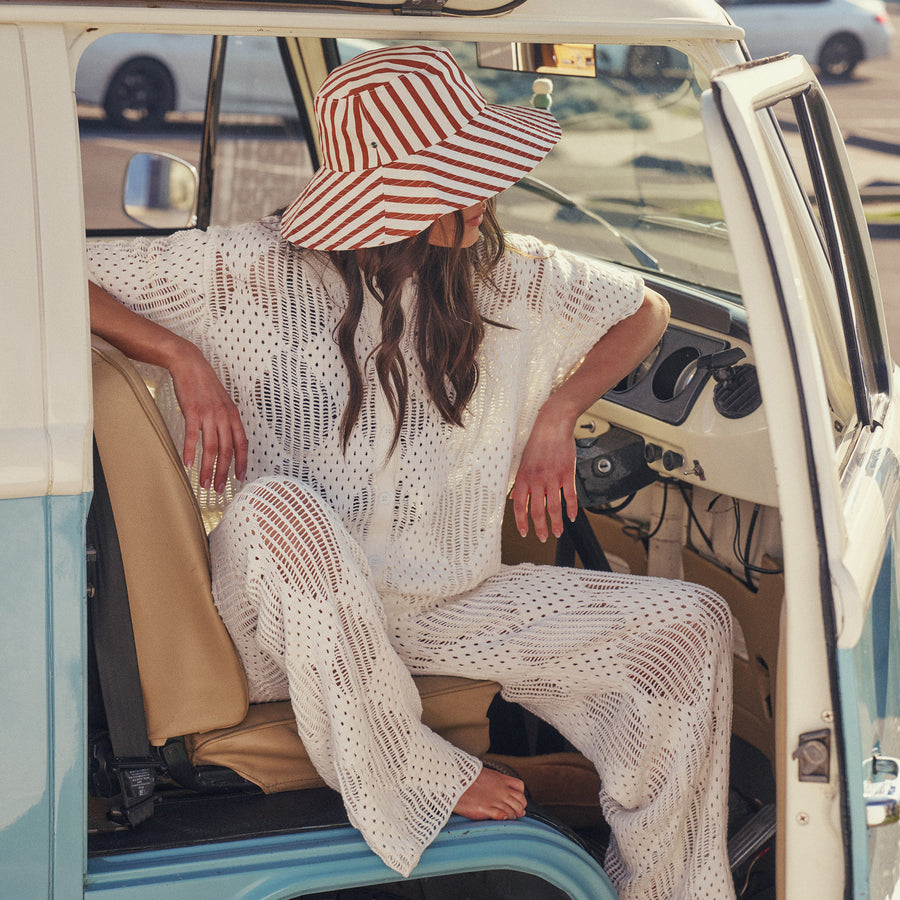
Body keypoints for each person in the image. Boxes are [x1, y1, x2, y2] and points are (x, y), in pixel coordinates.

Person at [87, 44, 735, 899]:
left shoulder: (509, 277)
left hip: (444, 603)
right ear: (405, 195)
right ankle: (411, 770)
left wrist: (558, 411)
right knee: (282, 508)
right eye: (465, 173)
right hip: (281, 617)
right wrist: (176, 354)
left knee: (688, 628)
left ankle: (669, 888)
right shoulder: (242, 268)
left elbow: (643, 311)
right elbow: (43, 276)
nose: (489, 190)